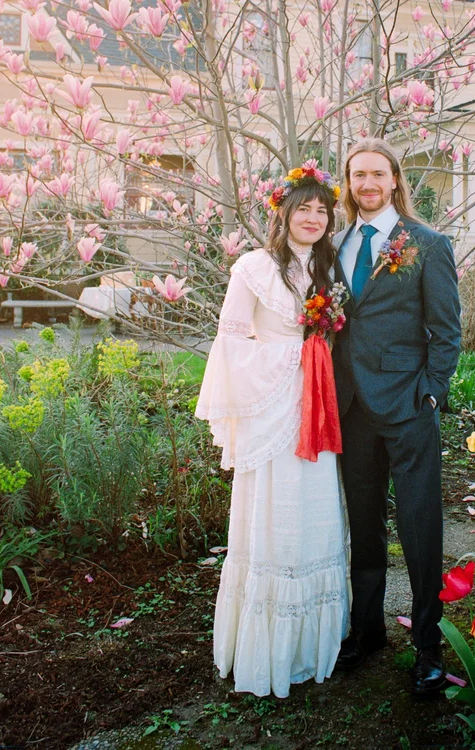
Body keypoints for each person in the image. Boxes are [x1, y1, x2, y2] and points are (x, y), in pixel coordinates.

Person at [195, 165, 350, 698]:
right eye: (303, 209)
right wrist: (296, 355)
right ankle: (267, 650)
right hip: (275, 406)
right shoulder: (254, 269)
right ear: (283, 214)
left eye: (321, 210)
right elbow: (232, 338)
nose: (312, 218)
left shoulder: (331, 268)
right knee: (274, 513)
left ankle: (312, 645)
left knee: (315, 513)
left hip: (318, 407)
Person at [331, 138, 462, 694]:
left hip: (409, 407)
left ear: (394, 180)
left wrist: (431, 393)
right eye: (358, 175)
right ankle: (367, 631)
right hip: (351, 409)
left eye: (376, 174)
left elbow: (447, 330)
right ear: (348, 182)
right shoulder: (332, 246)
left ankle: (428, 647)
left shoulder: (427, 244)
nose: (367, 184)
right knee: (363, 526)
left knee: (419, 528)